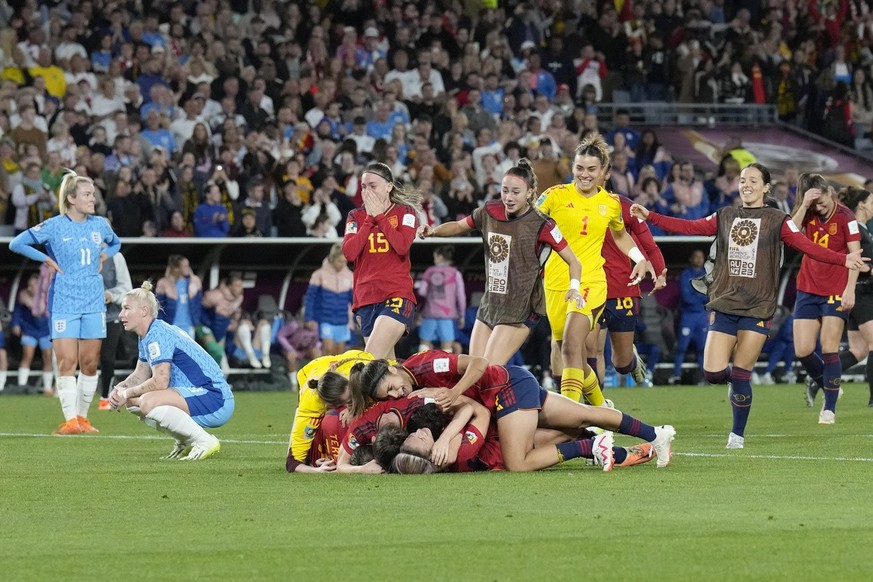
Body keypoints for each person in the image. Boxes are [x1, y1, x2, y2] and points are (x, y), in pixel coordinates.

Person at [630, 163, 867, 449]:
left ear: (766, 187)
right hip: (726, 302)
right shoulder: (725, 215)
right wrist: (650, 216)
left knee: (742, 371)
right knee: (713, 373)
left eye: (753, 180)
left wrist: (843, 260)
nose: (746, 184)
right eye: (743, 180)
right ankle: (734, 383)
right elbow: (690, 227)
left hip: (758, 307)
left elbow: (807, 246)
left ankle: (737, 435)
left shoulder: (778, 219)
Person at [342, 350, 675, 473]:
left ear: (391, 369)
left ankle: (590, 447)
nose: (398, 393)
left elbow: (479, 363)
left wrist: (454, 391)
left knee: (518, 462)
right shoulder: (411, 386)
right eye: (390, 395)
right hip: (510, 386)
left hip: (502, 389)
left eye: (393, 387)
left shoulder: (425, 364)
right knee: (583, 416)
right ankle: (656, 436)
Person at [418, 159, 584, 365]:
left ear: (530, 193)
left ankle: (532, 392)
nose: (508, 197)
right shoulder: (489, 212)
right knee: (474, 369)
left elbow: (574, 262)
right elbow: (459, 226)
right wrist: (434, 231)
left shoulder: (544, 225)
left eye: (516, 192)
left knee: (486, 370)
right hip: (491, 303)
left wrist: (575, 288)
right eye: (505, 191)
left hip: (521, 308)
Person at [537, 133, 652, 405]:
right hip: (555, 282)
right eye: (579, 168)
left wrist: (639, 258)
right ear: (572, 168)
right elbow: (528, 224)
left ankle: (570, 415)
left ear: (603, 172)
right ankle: (600, 409)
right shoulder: (553, 196)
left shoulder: (610, 204)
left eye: (591, 169)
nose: (584, 175)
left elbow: (621, 235)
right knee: (559, 345)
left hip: (591, 282)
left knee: (571, 345)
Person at [9, 170, 121, 435]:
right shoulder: (54, 226)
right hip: (64, 301)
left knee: (90, 362)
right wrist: (45, 259)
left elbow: (116, 243)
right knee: (67, 362)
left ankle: (83, 418)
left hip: (93, 300)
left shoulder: (100, 224)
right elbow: (16, 243)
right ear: (71, 198)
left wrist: (106, 254)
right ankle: (70, 420)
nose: (93, 199)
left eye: (93, 194)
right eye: (87, 194)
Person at [109, 281, 234, 461]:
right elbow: (139, 375)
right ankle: (186, 441)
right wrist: (119, 390)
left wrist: (126, 392)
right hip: (199, 395)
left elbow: (160, 382)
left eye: (126, 308)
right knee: (133, 401)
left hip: (215, 398)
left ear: (144, 311)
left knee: (145, 401)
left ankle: (204, 441)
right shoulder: (148, 335)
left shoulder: (158, 334)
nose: (121, 314)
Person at [790, 174, 860, 424]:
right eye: (815, 204)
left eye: (821, 202)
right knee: (803, 350)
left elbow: (855, 256)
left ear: (830, 192)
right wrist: (804, 205)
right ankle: (831, 386)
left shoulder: (846, 218)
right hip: (808, 287)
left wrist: (850, 289)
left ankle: (829, 408)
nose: (819, 208)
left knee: (829, 347)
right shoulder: (807, 212)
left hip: (836, 288)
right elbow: (790, 231)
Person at [342, 162, 422, 360]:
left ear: (389, 186)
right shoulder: (355, 216)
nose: (366, 191)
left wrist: (379, 216)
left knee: (370, 361)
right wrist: (370, 219)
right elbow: (350, 253)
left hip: (396, 294)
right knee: (385, 369)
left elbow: (402, 245)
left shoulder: (405, 213)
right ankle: (411, 390)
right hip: (366, 297)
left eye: (373, 186)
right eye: (363, 186)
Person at [588, 188, 667, 388]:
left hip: (623, 286)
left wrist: (658, 270)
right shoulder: (570, 204)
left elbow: (649, 245)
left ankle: (630, 360)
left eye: (592, 170)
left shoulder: (624, 206)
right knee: (592, 351)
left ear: (604, 174)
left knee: (621, 364)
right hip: (591, 285)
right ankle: (595, 407)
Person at [285, 349, 376, 473]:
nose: (349, 408)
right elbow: (293, 464)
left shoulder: (362, 374)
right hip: (310, 372)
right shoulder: (311, 404)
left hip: (354, 357)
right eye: (348, 403)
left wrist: (356, 408)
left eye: (351, 399)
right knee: (296, 450)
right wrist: (318, 471)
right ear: (331, 406)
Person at [833, 187, 873, 407]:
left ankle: (820, 375)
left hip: (862, 292)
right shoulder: (854, 229)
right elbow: (849, 256)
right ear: (861, 205)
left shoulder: (864, 229)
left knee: (858, 350)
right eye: (871, 200)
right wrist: (869, 270)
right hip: (860, 290)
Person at [303, 243, 354, 356]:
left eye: (345, 262)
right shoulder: (319, 275)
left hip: (342, 320)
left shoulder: (350, 276)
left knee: (340, 352)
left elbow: (354, 300)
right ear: (332, 259)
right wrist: (309, 318)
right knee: (328, 349)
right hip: (325, 319)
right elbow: (310, 298)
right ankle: (326, 373)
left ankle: (337, 374)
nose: (343, 264)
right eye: (340, 261)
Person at [97, 251, 133, 410]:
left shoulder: (116, 257)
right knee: (87, 359)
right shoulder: (81, 253)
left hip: (111, 315)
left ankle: (105, 396)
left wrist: (111, 295)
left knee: (107, 357)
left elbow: (127, 288)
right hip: (86, 315)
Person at [668, 249, 709, 385]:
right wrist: (701, 297)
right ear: (691, 259)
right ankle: (676, 375)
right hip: (688, 316)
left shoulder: (707, 275)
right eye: (696, 257)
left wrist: (697, 296)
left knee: (702, 348)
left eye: (701, 257)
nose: (698, 260)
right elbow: (686, 297)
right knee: (682, 347)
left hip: (702, 316)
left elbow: (709, 296)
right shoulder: (686, 275)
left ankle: (702, 377)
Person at [415, 245, 466, 353]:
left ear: (439, 256)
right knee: (447, 346)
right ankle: (446, 369)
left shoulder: (429, 271)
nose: (434, 260)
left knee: (424, 345)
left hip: (429, 313)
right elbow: (461, 296)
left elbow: (422, 292)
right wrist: (462, 315)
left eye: (434, 257)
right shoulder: (456, 274)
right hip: (447, 315)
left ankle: (423, 368)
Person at [10, 269, 53, 395]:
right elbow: (17, 312)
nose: (29, 288)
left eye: (32, 285)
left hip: (46, 330)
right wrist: (16, 324)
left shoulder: (48, 296)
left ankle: (48, 387)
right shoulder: (23, 296)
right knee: (27, 356)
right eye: (28, 285)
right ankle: (21, 386)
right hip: (29, 330)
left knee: (48, 357)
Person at [155, 255, 203, 338]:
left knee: (188, 349)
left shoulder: (194, 281)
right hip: (171, 325)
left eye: (188, 265)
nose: (188, 268)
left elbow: (199, 303)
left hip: (188, 325)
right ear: (176, 268)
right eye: (184, 266)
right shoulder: (164, 283)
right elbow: (159, 306)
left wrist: (196, 320)